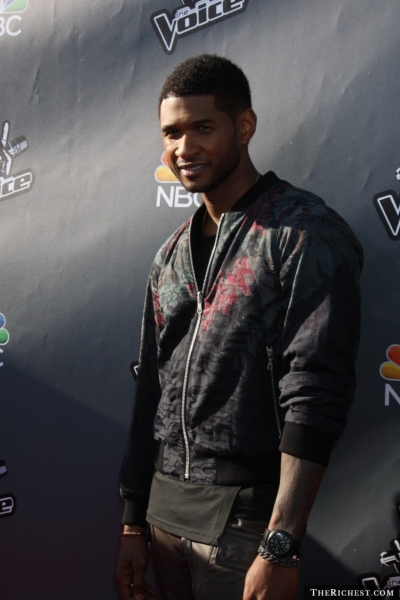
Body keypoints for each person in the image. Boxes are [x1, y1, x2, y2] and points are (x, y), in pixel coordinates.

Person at [115, 54, 363, 600]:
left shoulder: (303, 233)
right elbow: (150, 390)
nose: (184, 147)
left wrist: (280, 545)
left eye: (203, 127)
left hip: (244, 530)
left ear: (244, 126)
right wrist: (133, 523)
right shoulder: (169, 256)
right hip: (163, 522)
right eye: (172, 133)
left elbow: (316, 392)